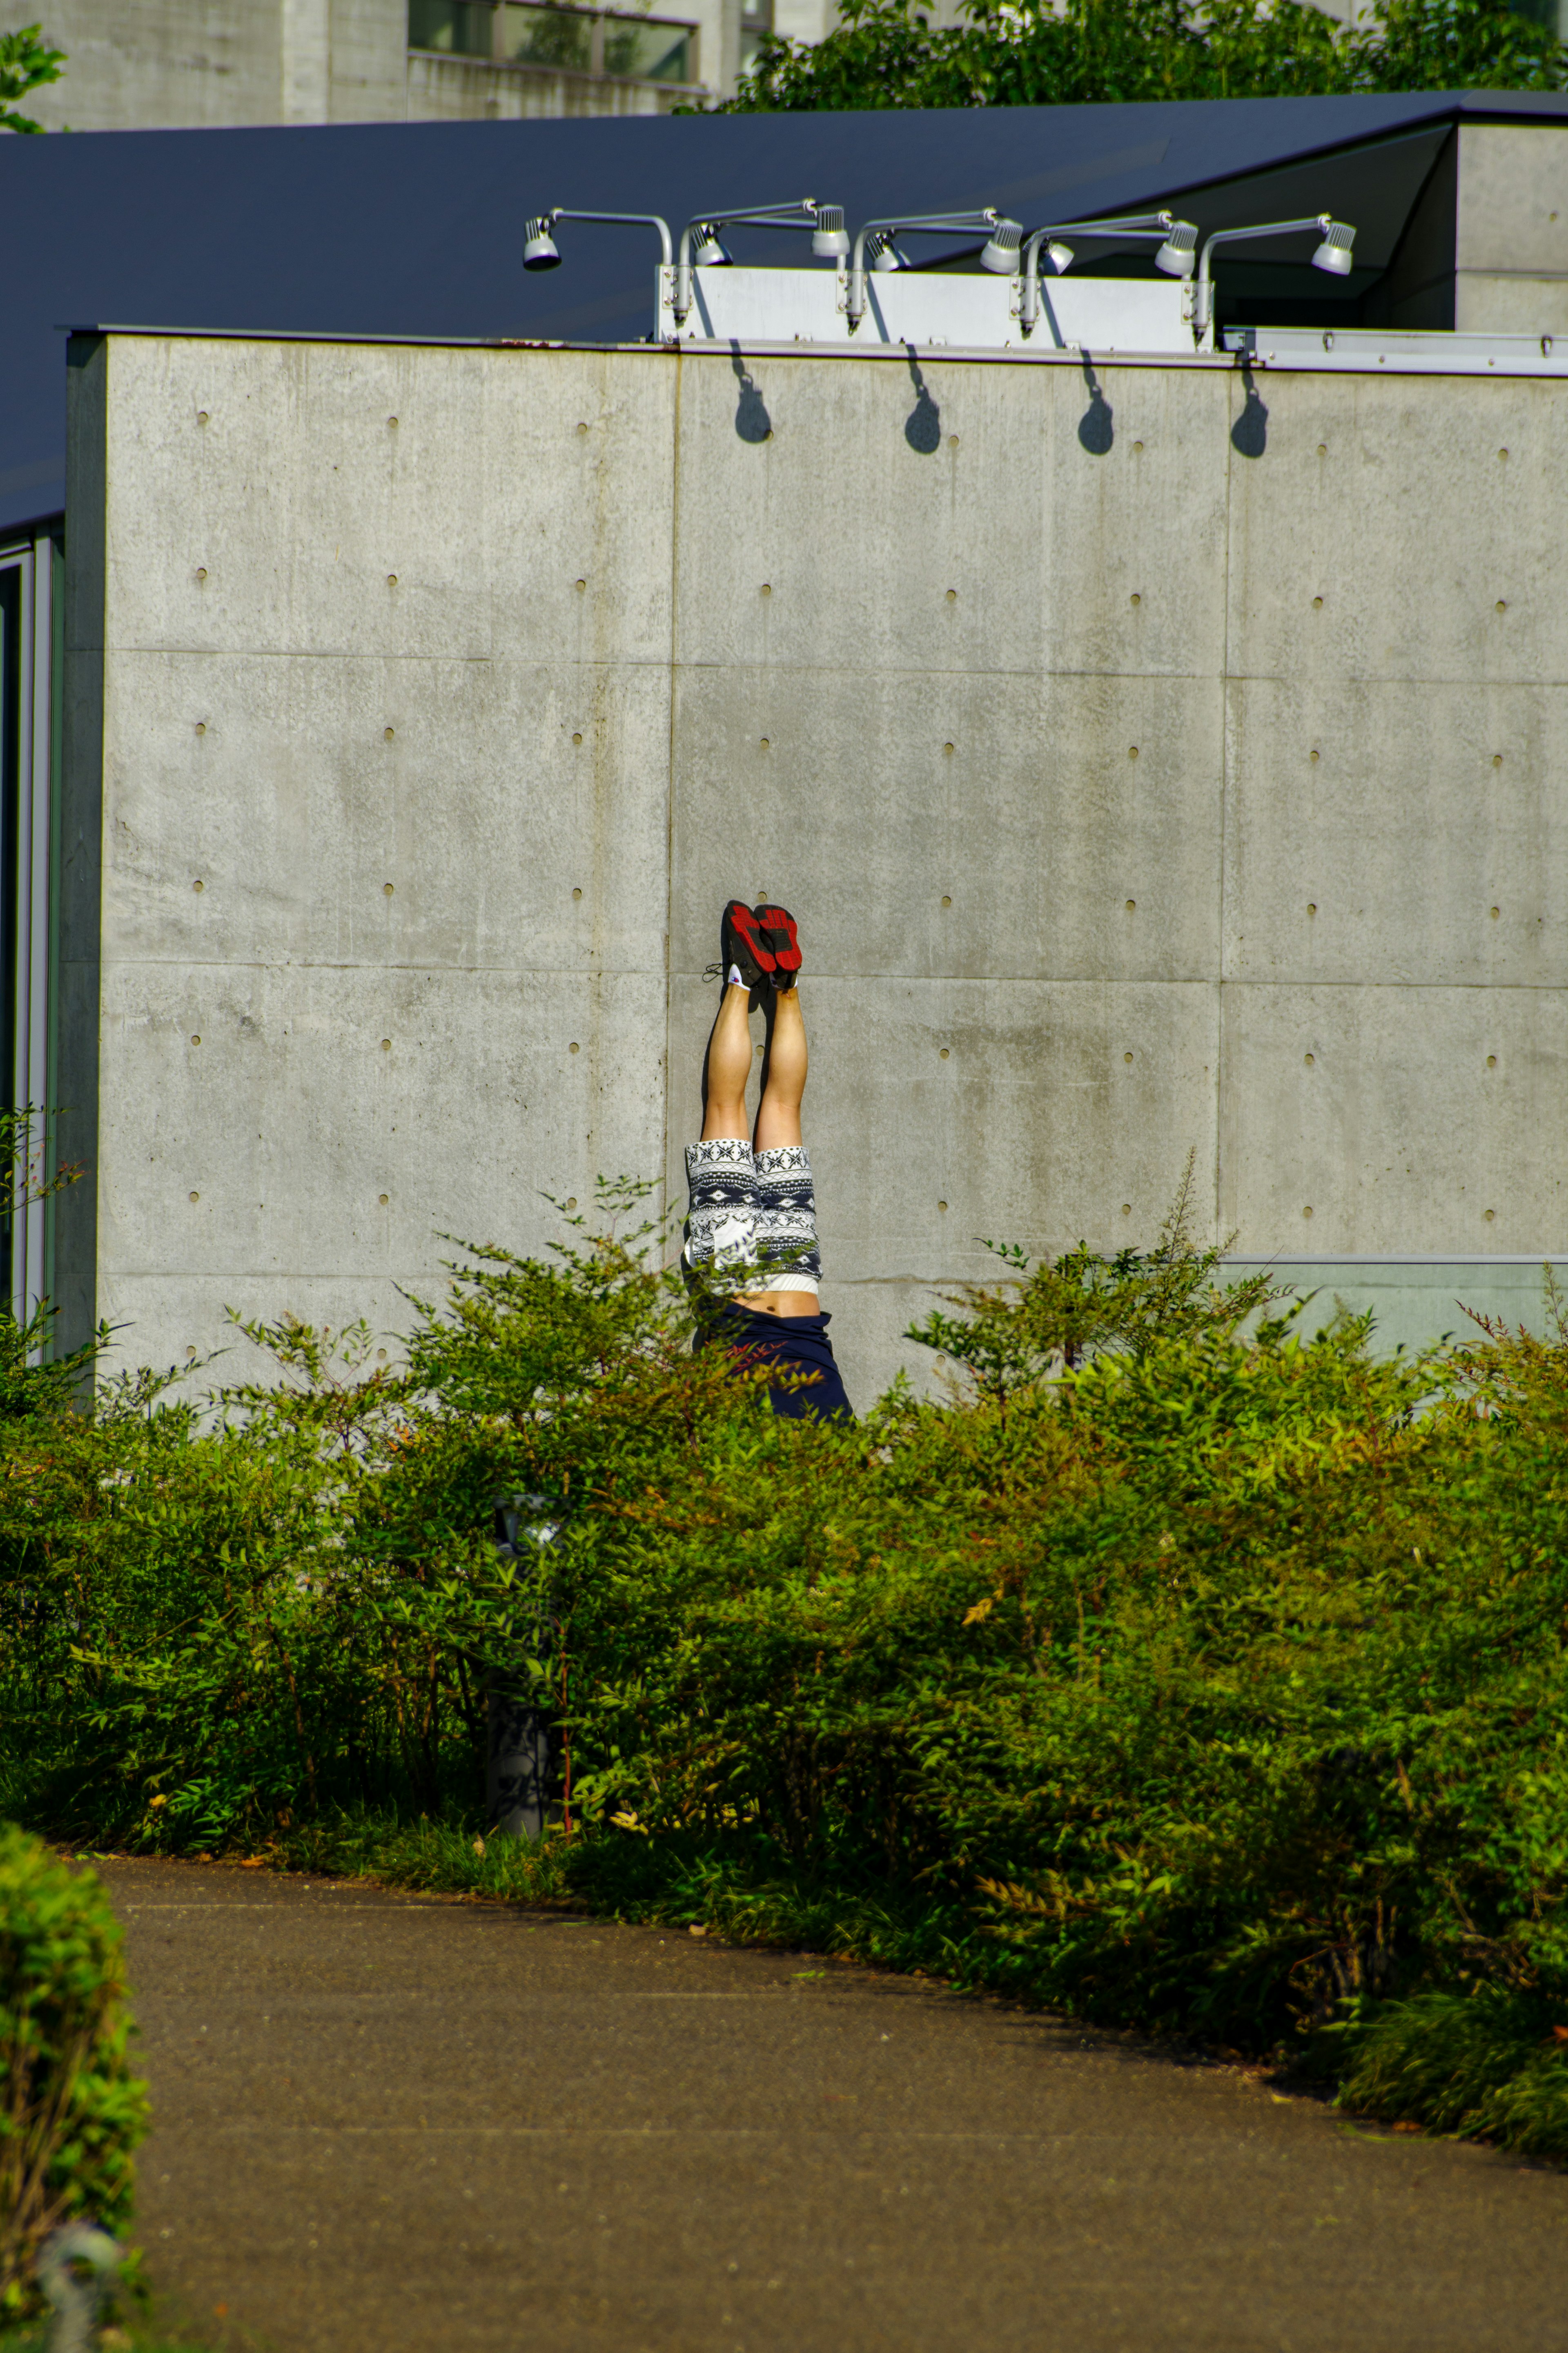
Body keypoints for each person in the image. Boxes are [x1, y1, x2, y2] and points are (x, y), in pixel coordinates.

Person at [682, 902, 854, 1423]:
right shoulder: (746, 1461)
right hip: (738, 1278)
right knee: (726, 1108)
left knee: (782, 1107)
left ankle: (785, 984)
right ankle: (742, 978)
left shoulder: (838, 1450)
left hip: (800, 1291)